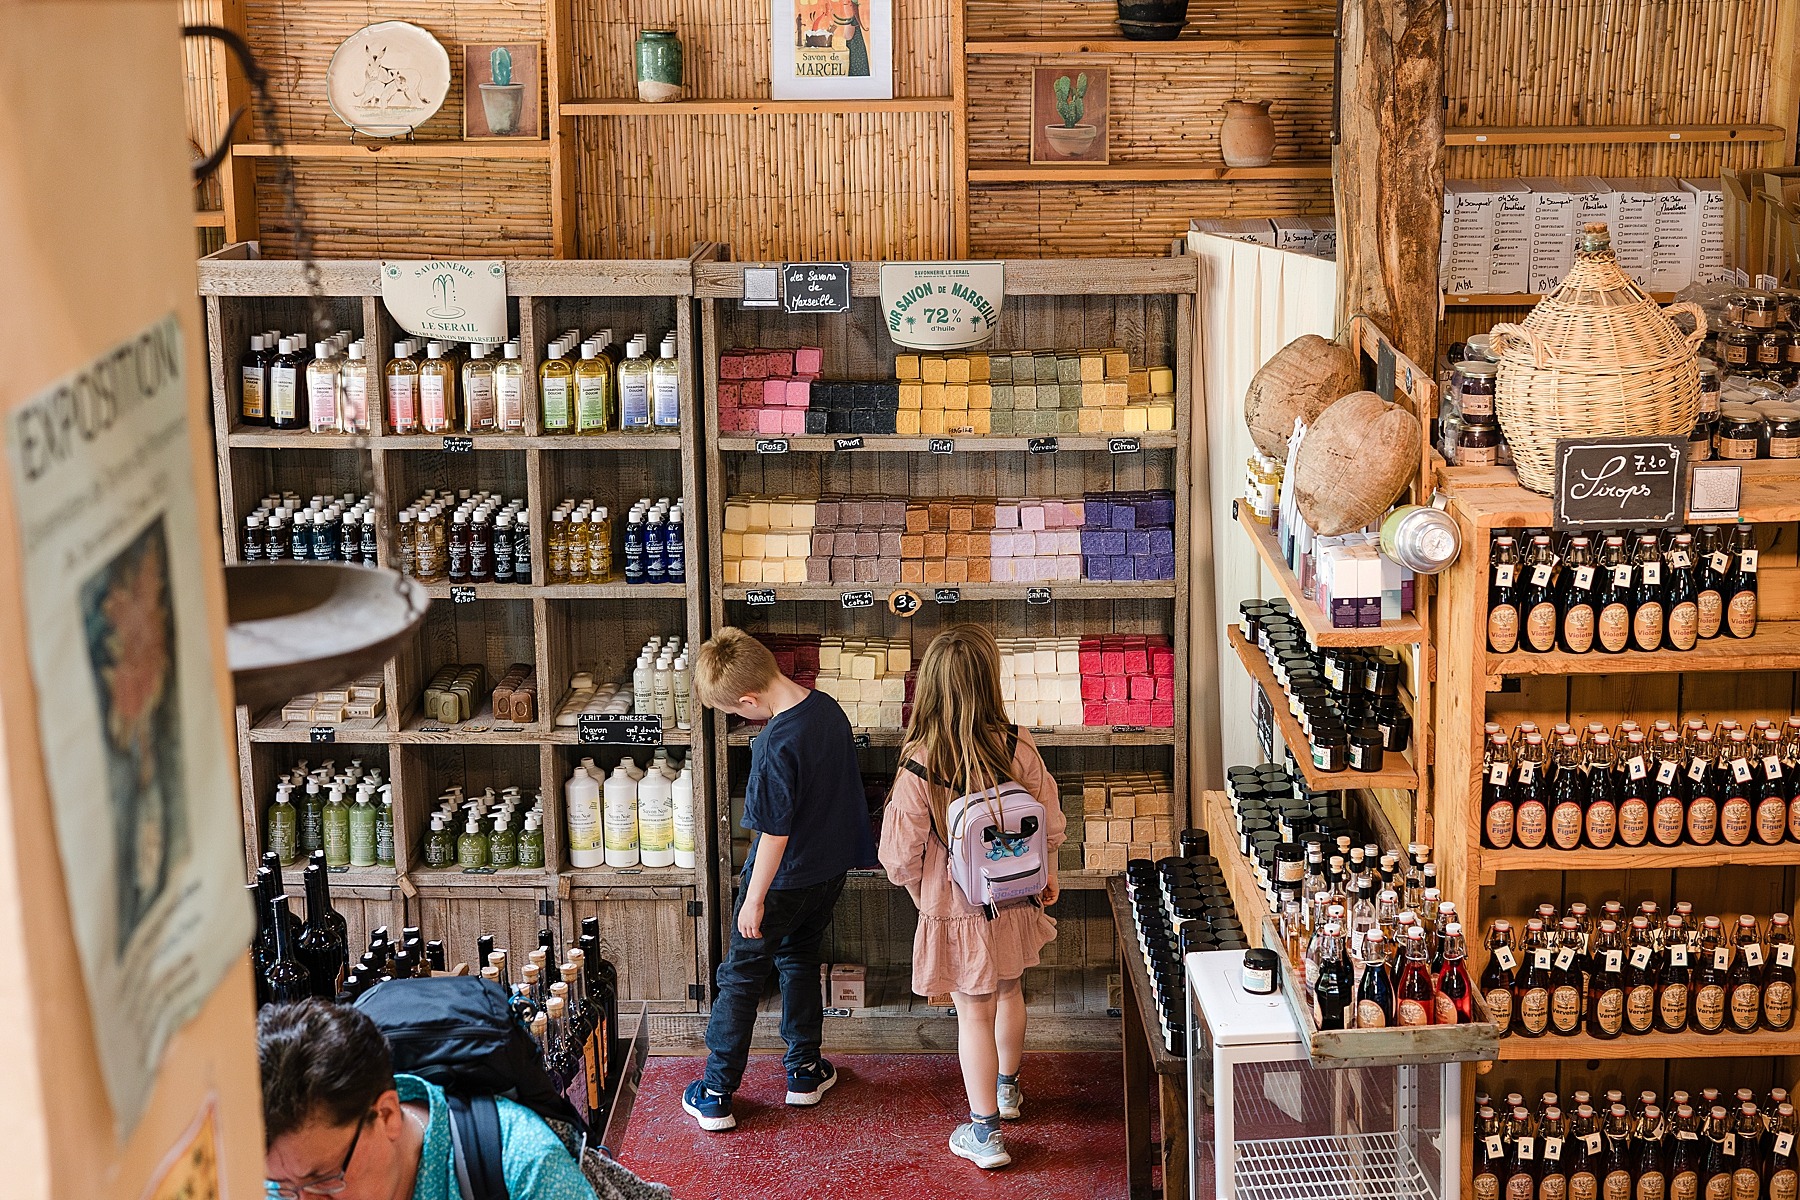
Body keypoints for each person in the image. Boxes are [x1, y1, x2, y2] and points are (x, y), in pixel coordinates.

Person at [879, 625, 1064, 1170]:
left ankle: (985, 1135)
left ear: (929, 687)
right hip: (1016, 897)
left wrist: (919, 892)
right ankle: (1007, 1091)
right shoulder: (1016, 741)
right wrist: (1045, 875)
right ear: (990, 682)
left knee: (972, 1014)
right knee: (1010, 992)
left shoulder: (920, 760)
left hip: (955, 906)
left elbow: (898, 854)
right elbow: (1049, 820)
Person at [682, 627, 876, 1132]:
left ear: (749, 699)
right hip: (829, 871)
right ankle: (804, 1071)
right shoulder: (828, 708)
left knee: (740, 978)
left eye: (734, 712)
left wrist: (754, 899)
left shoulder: (772, 743)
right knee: (800, 959)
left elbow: (772, 834)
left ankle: (716, 1092)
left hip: (781, 880)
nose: (739, 720)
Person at [258, 999, 595, 1199]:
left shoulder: (526, 1169)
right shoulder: (286, 1173)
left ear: (387, 1114)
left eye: (325, 1179)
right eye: (284, 1188)